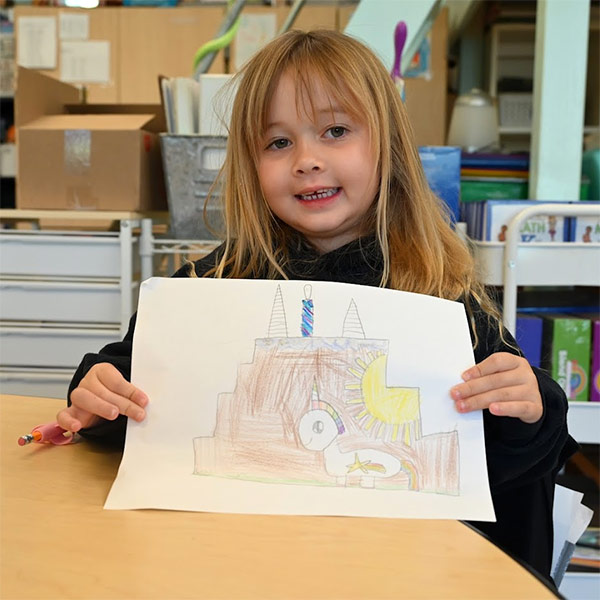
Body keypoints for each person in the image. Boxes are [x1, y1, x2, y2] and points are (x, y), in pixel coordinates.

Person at [57, 29, 577, 583]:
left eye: (336, 131)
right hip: (237, 567)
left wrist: (527, 407)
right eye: (278, 142)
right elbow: (128, 389)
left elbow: (518, 458)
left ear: (388, 147)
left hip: (394, 575)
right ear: (250, 164)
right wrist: (99, 393)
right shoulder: (212, 285)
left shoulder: (441, 292)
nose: (306, 160)